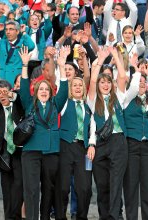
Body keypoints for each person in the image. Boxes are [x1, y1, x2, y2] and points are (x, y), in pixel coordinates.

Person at [18, 46, 68, 220]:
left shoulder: (56, 104)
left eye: (47, 89)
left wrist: (61, 65)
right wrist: (25, 65)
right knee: (31, 190)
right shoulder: (29, 104)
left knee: (49, 189)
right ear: (36, 92)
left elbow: (64, 89)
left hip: (51, 153)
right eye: (41, 89)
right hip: (31, 152)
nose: (44, 92)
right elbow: (24, 88)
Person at [87, 47, 127, 220]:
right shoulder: (92, 99)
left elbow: (123, 77)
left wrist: (117, 57)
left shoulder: (118, 96)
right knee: (102, 184)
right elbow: (93, 80)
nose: (105, 84)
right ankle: (105, 216)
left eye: (108, 82)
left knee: (116, 183)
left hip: (118, 141)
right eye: (103, 82)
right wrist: (100, 61)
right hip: (101, 143)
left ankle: (114, 216)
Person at [123, 61, 148, 220]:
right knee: (131, 186)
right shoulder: (127, 99)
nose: (142, 84)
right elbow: (133, 87)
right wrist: (138, 72)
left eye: (144, 83)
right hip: (132, 144)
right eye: (139, 82)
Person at [58, 76, 96, 220]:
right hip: (66, 147)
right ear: (70, 88)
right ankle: (61, 216)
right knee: (63, 187)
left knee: (85, 188)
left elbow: (93, 129)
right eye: (74, 85)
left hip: (84, 150)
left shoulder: (88, 107)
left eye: (80, 85)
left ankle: (81, 217)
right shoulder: (65, 103)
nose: (78, 87)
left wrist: (92, 144)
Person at [0, 79, 24, 220]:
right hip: (4, 153)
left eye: (4, 92)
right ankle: (9, 217)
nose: (2, 95)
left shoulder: (19, 106)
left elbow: (21, 97)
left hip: (19, 152)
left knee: (19, 185)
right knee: (6, 188)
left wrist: (12, 95)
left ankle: (16, 216)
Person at [0, 20, 34, 86]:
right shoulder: (2, 42)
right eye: (6, 29)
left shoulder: (22, 42)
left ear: (17, 31)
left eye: (11, 29)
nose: (8, 32)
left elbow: (31, 46)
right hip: (2, 76)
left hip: (15, 77)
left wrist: (23, 32)